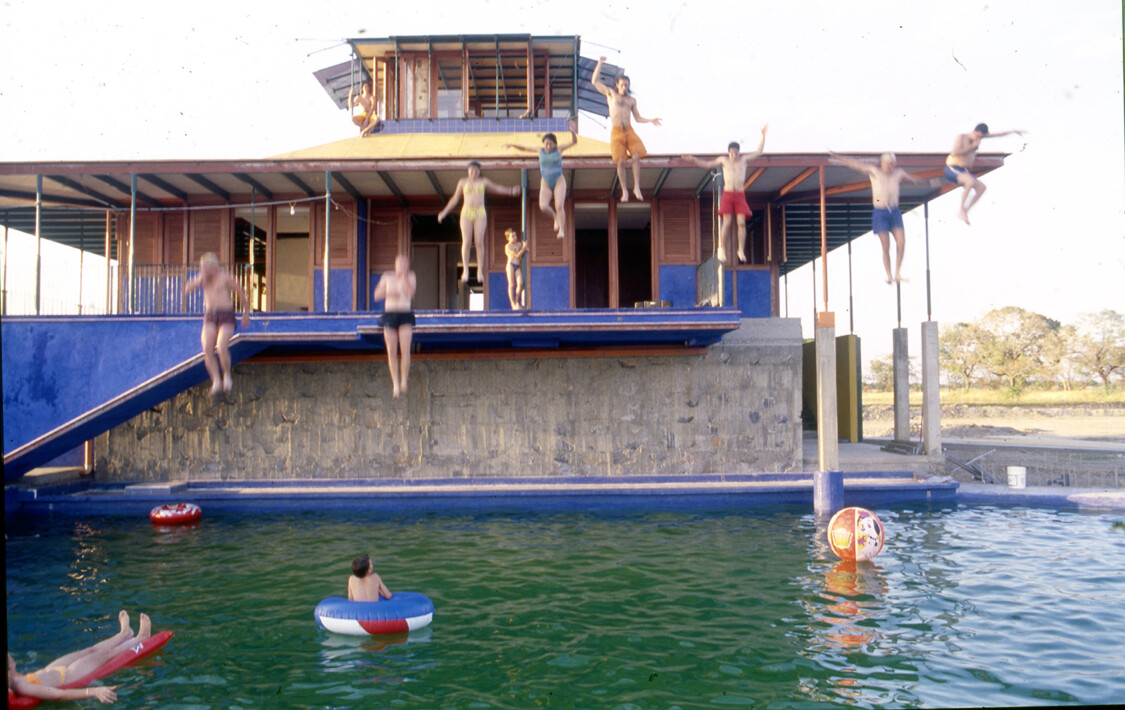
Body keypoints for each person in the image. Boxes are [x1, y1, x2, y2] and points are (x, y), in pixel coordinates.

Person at [829, 150, 941, 284]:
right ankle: (889, 275)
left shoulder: (898, 173)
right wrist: (837, 157)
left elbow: (914, 179)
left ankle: (898, 272)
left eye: (893, 164)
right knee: (886, 246)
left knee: (901, 241)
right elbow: (855, 164)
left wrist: (929, 182)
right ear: (882, 164)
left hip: (894, 211)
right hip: (880, 212)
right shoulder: (874, 172)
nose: (891, 166)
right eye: (888, 164)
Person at [7, 610, 153, 704]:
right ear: (9, 667)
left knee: (90, 650)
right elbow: (57, 695)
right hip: (69, 676)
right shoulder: (19, 685)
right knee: (104, 655)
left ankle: (123, 634)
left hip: (51, 670)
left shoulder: (14, 678)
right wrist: (94, 691)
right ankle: (139, 639)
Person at [682, 125, 769, 264]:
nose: (734, 154)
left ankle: (740, 250)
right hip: (728, 194)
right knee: (727, 222)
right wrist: (693, 159)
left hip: (740, 195)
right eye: (732, 152)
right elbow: (707, 164)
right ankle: (721, 248)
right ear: (728, 152)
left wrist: (763, 136)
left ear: (739, 152)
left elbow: (759, 152)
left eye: (736, 152)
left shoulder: (744, 160)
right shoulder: (723, 160)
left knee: (741, 222)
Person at [590, 56, 662, 203]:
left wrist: (651, 120)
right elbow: (595, 82)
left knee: (636, 156)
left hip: (629, 130)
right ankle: (624, 191)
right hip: (616, 131)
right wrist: (600, 63)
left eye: (626, 85)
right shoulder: (611, 94)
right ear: (617, 85)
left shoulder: (631, 100)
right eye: (622, 85)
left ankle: (636, 187)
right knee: (621, 161)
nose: (624, 88)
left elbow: (638, 118)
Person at [437, 161, 520, 284]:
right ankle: (465, 269)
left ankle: (479, 270)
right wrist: (444, 212)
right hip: (466, 212)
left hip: (480, 212)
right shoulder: (463, 182)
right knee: (466, 241)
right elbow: (455, 198)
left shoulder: (483, 181)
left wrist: (511, 190)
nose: (474, 173)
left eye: (476, 171)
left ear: (479, 171)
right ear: (468, 171)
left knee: (479, 241)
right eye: (471, 171)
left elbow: (497, 188)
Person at [183, 252, 251, 395]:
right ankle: (216, 380)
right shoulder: (203, 278)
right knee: (207, 350)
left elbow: (241, 294)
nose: (204, 271)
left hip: (226, 314)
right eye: (203, 268)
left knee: (221, 347)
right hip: (210, 315)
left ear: (214, 267)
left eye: (206, 268)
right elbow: (187, 288)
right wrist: (197, 280)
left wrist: (246, 313)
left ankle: (226, 374)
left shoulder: (224, 277)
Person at [502, 120, 578, 239]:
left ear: (554, 144)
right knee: (543, 206)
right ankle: (555, 217)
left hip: (558, 179)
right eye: (546, 144)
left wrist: (572, 132)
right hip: (546, 181)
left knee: (559, 205)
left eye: (551, 144)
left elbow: (574, 142)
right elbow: (524, 148)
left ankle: (562, 230)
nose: (548, 146)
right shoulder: (540, 150)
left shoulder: (559, 150)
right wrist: (512, 145)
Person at [945, 123, 1026, 224]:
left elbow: (998, 135)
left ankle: (966, 211)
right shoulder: (962, 137)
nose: (979, 139)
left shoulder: (979, 137)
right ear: (975, 131)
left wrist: (1014, 132)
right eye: (978, 136)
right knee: (969, 182)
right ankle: (961, 209)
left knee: (981, 187)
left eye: (981, 137)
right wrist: (973, 147)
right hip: (952, 168)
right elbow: (955, 152)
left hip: (963, 170)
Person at [372, 253, 417, 399]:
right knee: (391, 350)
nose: (402, 266)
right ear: (395, 265)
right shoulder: (387, 277)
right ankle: (395, 384)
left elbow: (411, 293)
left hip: (405, 313)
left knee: (405, 350)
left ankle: (404, 380)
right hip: (390, 314)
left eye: (405, 264)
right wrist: (388, 291)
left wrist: (403, 278)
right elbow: (376, 295)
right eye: (400, 263)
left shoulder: (410, 276)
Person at [503, 228, 528, 310]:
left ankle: (517, 301)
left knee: (520, 283)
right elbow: (517, 255)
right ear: (508, 238)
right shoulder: (507, 246)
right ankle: (512, 303)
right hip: (511, 265)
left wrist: (525, 246)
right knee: (511, 284)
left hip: (517, 266)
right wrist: (523, 248)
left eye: (515, 235)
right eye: (512, 236)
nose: (515, 237)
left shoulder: (519, 244)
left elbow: (527, 250)